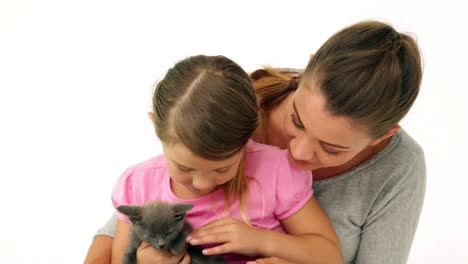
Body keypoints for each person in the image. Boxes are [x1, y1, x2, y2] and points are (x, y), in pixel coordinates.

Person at [85, 20, 425, 264]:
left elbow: (328, 254)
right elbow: (130, 218)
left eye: (332, 148)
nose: (298, 152)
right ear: (304, 74)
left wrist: (268, 243)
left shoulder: (398, 171)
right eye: (296, 120)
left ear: (383, 135)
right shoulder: (239, 103)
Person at [108, 54, 343, 264]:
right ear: (155, 126)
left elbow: (329, 256)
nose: (203, 184)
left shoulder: (276, 170)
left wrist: (261, 241)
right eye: (184, 167)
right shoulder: (135, 186)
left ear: (249, 136)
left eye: (223, 168)